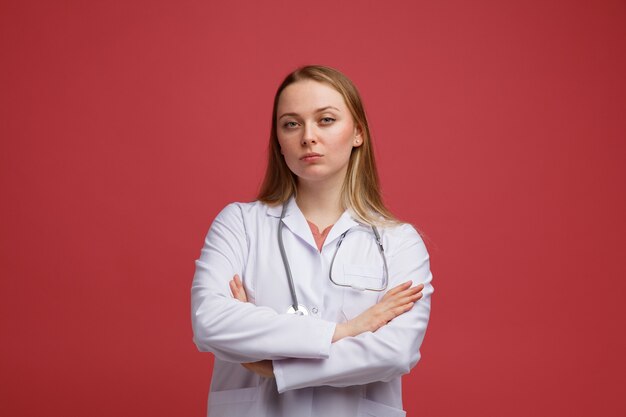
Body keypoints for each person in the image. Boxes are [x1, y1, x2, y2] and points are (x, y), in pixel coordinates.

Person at [191, 65, 434, 417]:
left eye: (326, 120)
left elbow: (394, 352)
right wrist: (345, 331)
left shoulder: (400, 242)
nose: (308, 136)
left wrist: (275, 366)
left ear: (358, 133)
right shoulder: (240, 224)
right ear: (279, 140)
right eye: (291, 123)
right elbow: (210, 322)